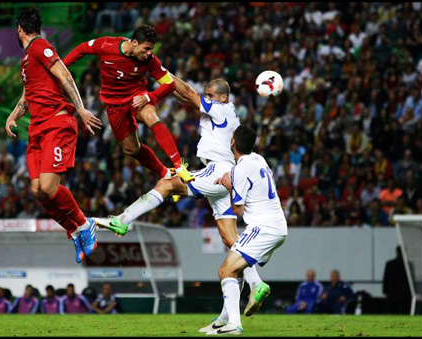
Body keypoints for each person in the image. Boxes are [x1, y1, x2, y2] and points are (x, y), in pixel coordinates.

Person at [94, 76, 264, 314]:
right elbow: (185, 94)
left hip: (218, 171)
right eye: (207, 95)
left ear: (223, 97)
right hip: (225, 175)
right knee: (229, 239)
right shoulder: (219, 109)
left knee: (167, 185)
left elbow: (188, 92)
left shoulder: (222, 109)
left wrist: (162, 72)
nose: (207, 98)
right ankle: (256, 283)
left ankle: (122, 221)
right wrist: (165, 87)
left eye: (211, 95)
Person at [5, 6, 116, 264]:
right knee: (37, 191)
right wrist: (13, 114)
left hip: (56, 122)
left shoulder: (40, 47)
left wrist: (79, 108)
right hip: (37, 128)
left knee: (48, 187)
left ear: (19, 29)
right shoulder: (27, 58)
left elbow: (65, 75)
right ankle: (75, 230)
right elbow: (28, 94)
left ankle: (83, 224)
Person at [62, 25, 194, 184]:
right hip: (114, 104)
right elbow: (81, 49)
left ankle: (180, 167)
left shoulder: (150, 59)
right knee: (131, 149)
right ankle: (166, 173)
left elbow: (170, 84)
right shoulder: (106, 45)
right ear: (134, 43)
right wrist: (61, 68)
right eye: (146, 49)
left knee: (151, 116)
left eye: (151, 49)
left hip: (137, 96)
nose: (149, 53)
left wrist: (149, 96)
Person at [201, 125, 288, 335]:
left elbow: (237, 210)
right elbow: (244, 175)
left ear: (233, 143)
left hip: (262, 228)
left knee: (225, 271)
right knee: (236, 267)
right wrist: (228, 178)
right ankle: (224, 319)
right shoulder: (259, 159)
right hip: (278, 226)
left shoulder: (240, 169)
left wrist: (230, 187)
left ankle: (235, 325)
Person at [382, 246, 412, 314]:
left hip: (392, 293)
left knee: (391, 312)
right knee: (403, 312)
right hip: (405, 294)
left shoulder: (390, 264)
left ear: (397, 252)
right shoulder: (408, 265)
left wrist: (385, 291)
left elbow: (386, 278)